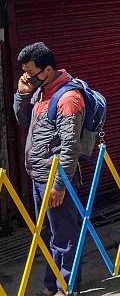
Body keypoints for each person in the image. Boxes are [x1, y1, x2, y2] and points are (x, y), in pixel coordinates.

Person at [14, 42, 84, 296]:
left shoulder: (68, 99)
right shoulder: (40, 92)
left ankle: (68, 287)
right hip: (37, 176)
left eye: (30, 71)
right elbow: (23, 121)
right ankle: (53, 283)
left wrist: (59, 184)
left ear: (48, 70)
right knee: (46, 235)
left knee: (64, 235)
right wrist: (22, 94)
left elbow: (70, 147)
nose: (26, 76)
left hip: (56, 178)